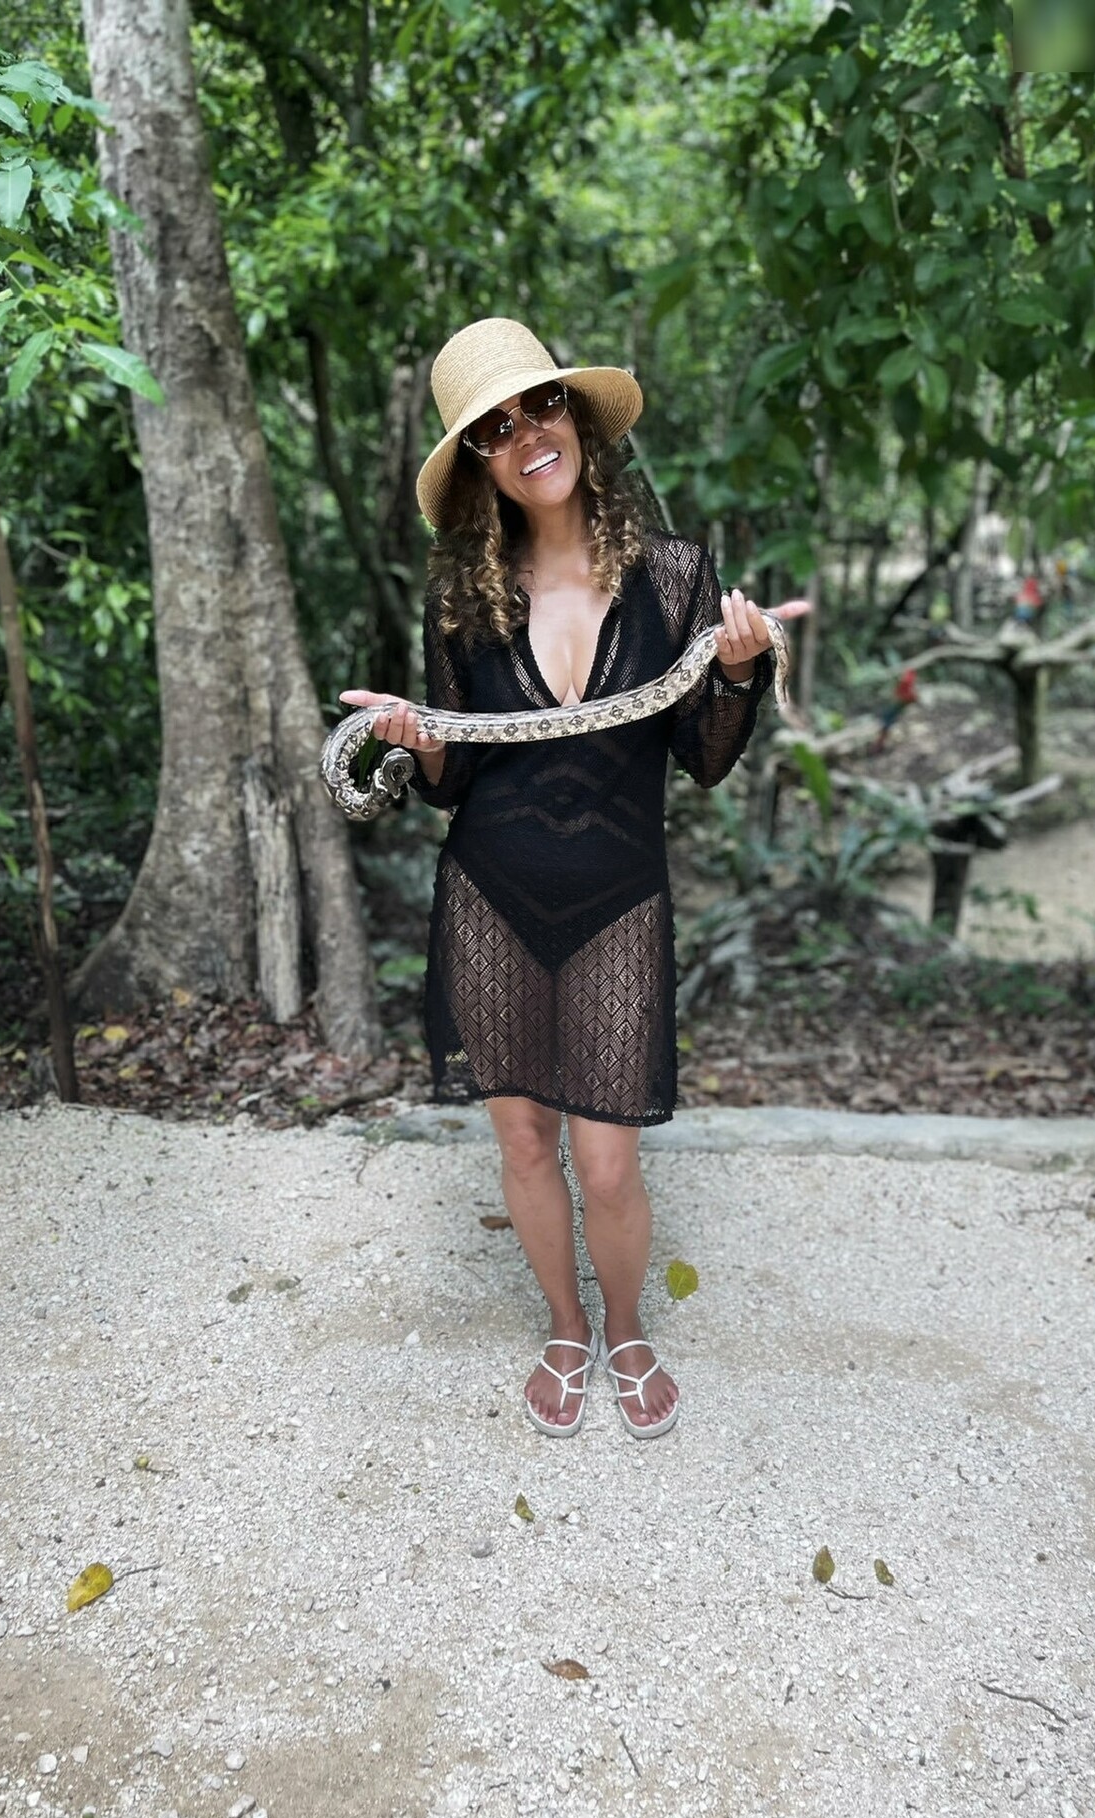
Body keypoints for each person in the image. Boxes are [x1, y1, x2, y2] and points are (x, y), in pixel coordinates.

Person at [339, 317, 793, 1441]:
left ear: (576, 415)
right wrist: (416, 738)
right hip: (489, 899)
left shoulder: (676, 575)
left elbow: (703, 759)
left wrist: (737, 674)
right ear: (478, 465)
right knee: (525, 1142)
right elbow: (451, 783)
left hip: (618, 904)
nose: (525, 435)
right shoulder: (464, 596)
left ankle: (626, 1327)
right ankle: (565, 1325)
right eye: (492, 429)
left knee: (608, 1164)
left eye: (539, 405)